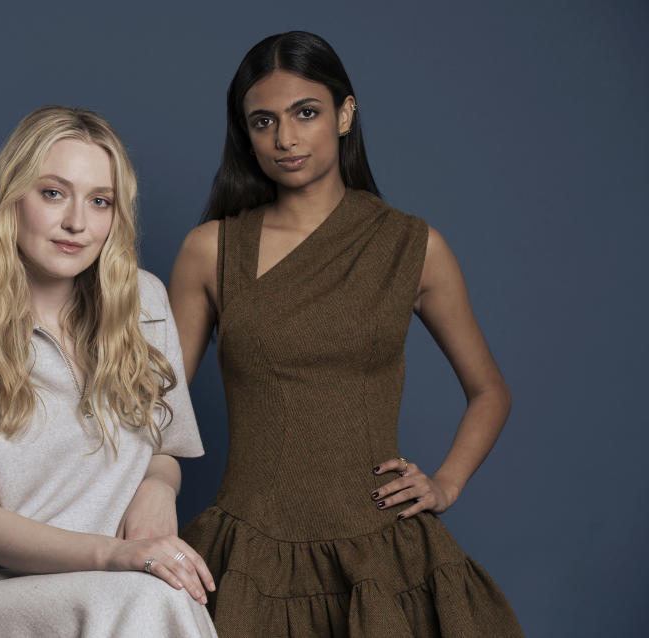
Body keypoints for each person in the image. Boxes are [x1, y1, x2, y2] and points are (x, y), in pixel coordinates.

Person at [170, 32, 524, 636]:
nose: (285, 139)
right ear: (246, 133)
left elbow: (490, 390)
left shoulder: (413, 247)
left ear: (345, 113)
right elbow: (155, 407)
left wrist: (444, 484)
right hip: (251, 554)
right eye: (263, 121)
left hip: (382, 554)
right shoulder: (213, 250)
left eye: (305, 113)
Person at [0, 106, 217, 638]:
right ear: (12, 197)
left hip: (116, 585)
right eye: (53, 193)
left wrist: (157, 487)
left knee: (155, 597)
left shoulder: (145, 303)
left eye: (100, 201)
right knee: (148, 602)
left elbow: (166, 449)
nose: (77, 224)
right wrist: (122, 557)